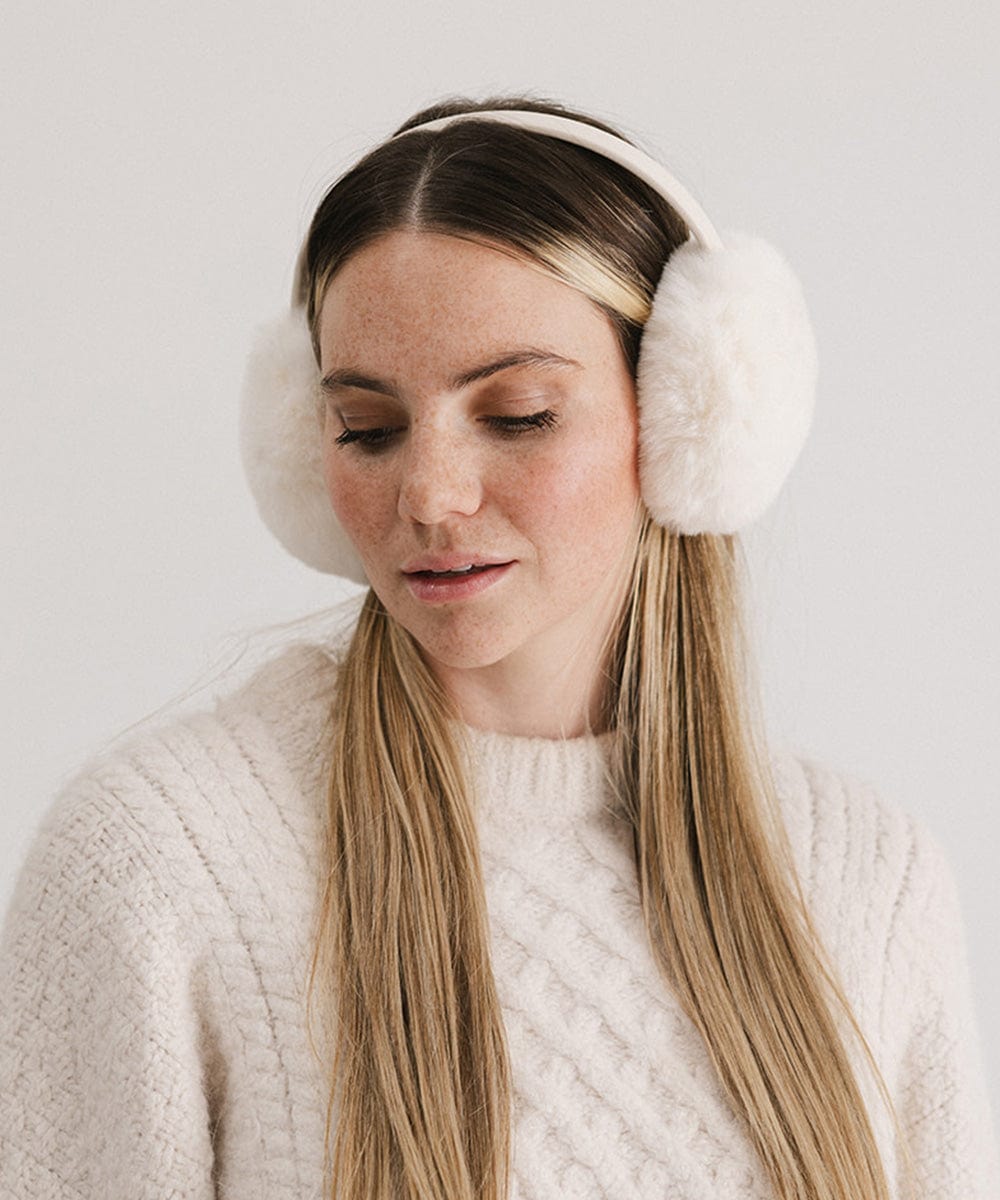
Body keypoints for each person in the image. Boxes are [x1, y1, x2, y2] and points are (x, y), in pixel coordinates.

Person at [1, 96, 996, 1200]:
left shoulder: (866, 880)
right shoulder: (162, 866)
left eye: (518, 413)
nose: (428, 494)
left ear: (686, 417)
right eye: (366, 429)